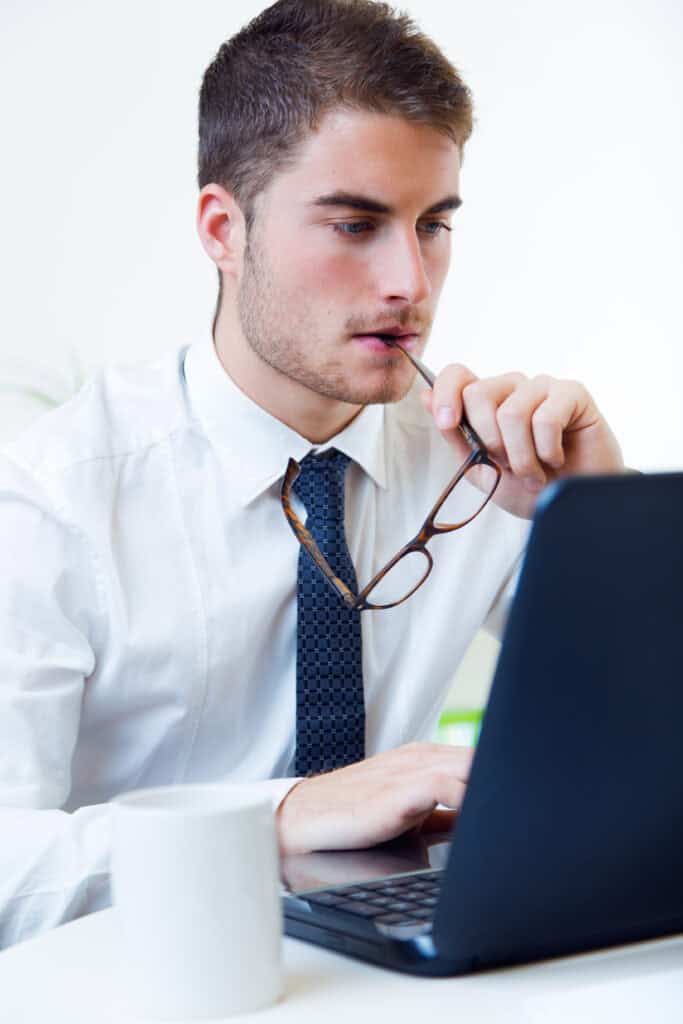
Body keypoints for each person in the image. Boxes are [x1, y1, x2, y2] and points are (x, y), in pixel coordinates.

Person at [0, 0, 624, 948]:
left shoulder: (482, 465)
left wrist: (599, 526)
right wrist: (276, 820)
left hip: (405, 975)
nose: (409, 282)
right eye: (353, 224)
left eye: (434, 224)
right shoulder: (53, 498)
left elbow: (640, 756)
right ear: (223, 228)